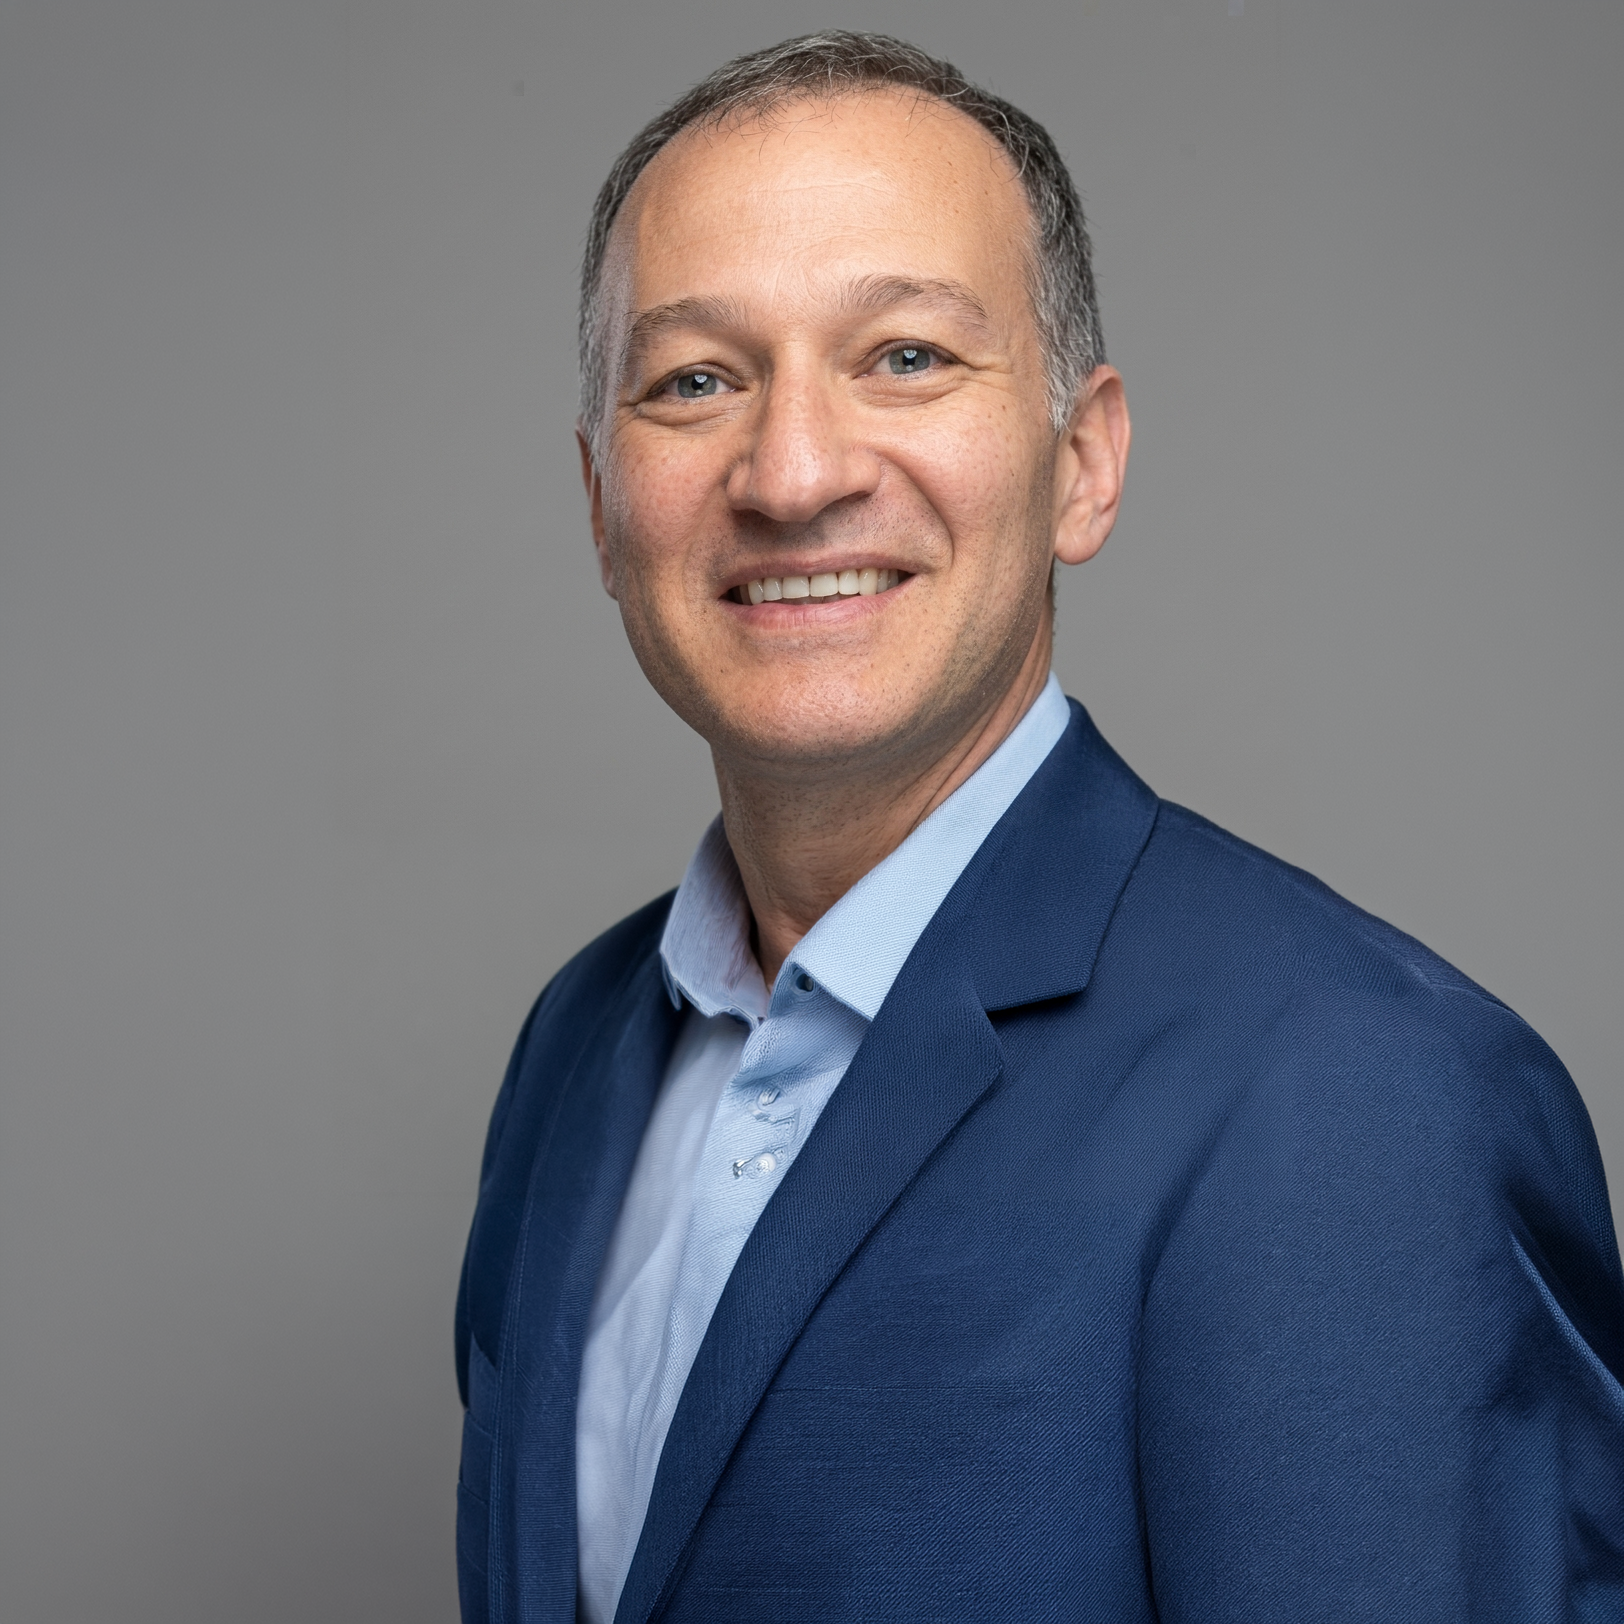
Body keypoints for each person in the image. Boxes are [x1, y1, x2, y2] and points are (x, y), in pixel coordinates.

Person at [454, 31, 1624, 1624]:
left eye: (906, 356)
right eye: (698, 381)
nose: (792, 473)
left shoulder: (1361, 1099)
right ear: (602, 505)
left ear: (1083, 463)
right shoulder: (575, 1052)